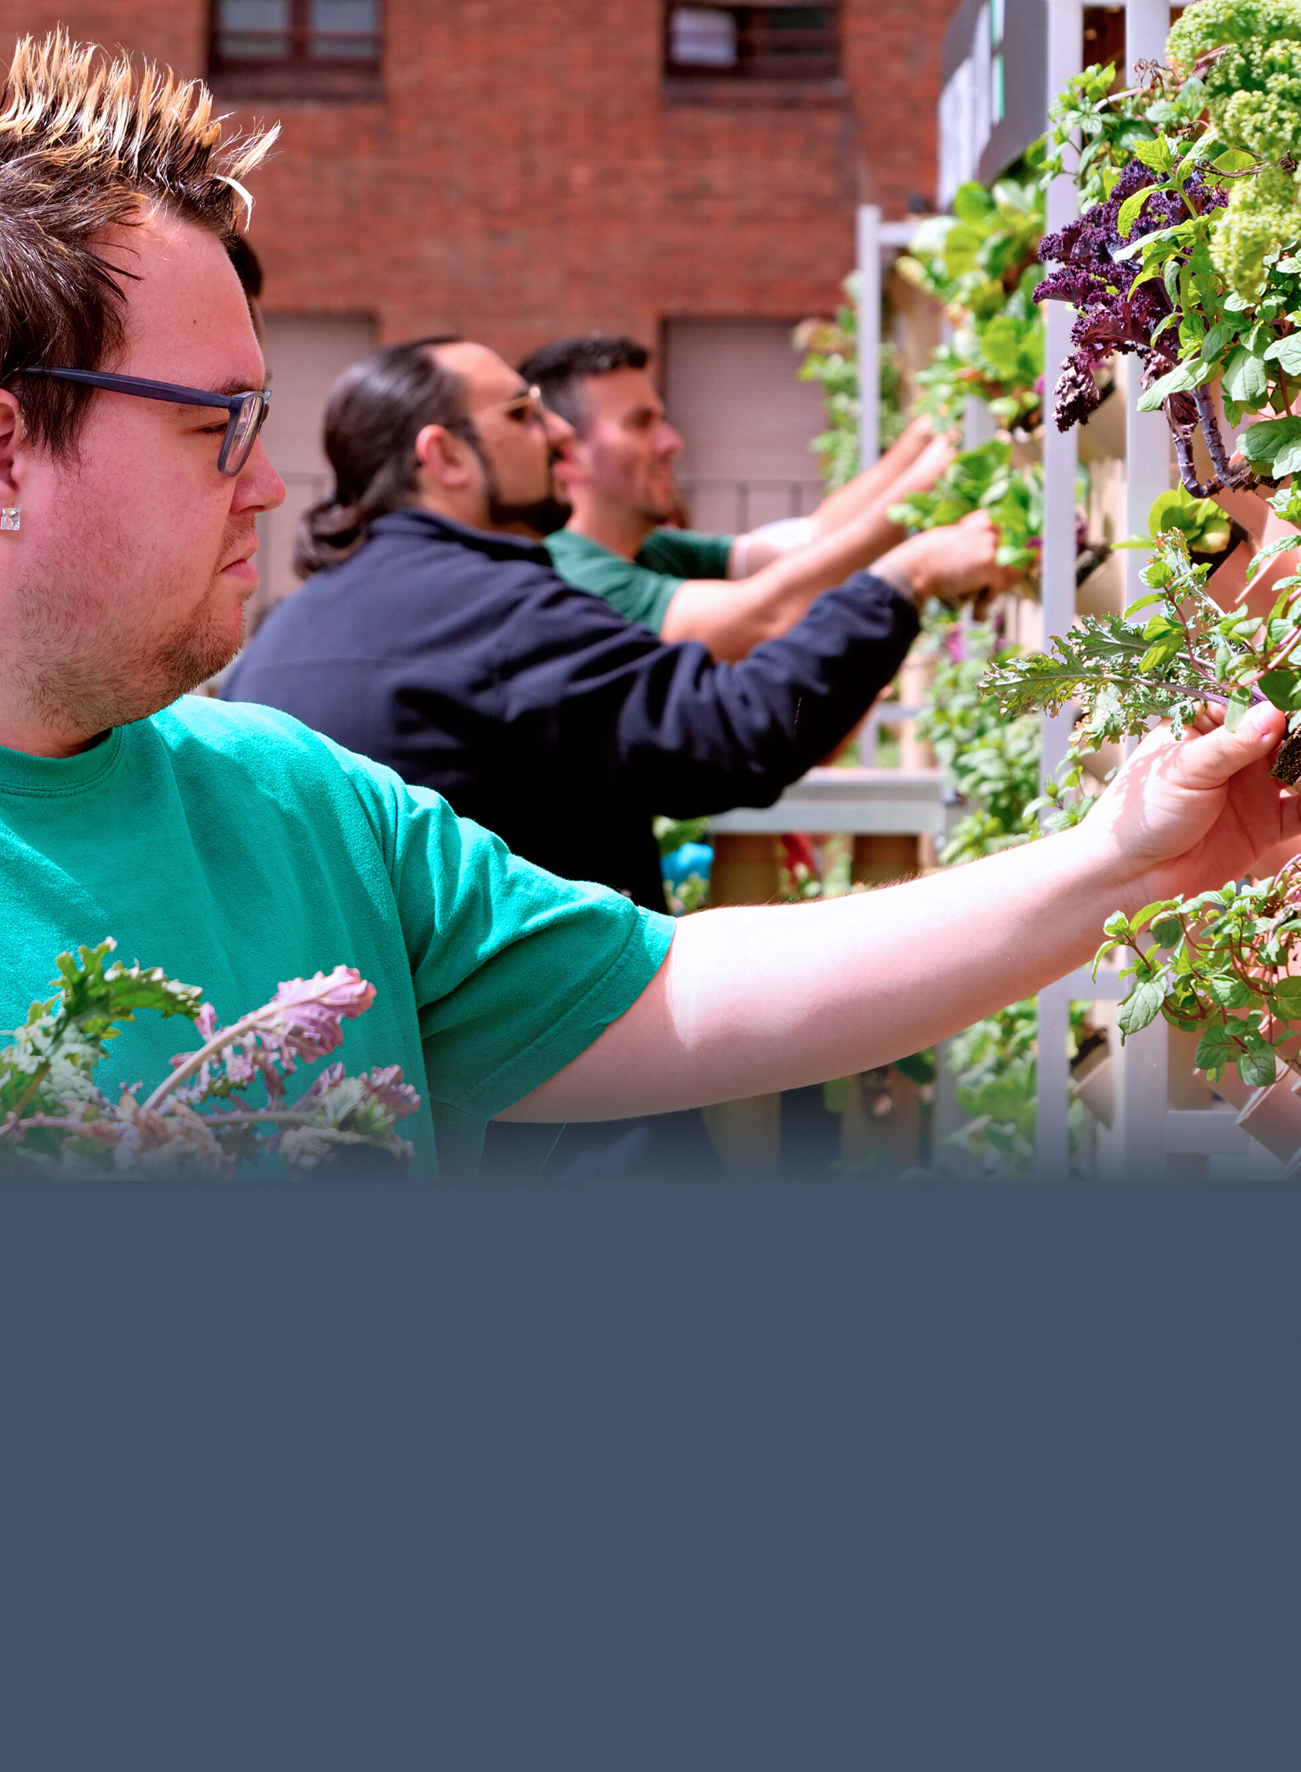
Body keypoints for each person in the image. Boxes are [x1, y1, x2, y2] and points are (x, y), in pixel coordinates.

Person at [1, 34, 1296, 1188]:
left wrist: (1123, 860)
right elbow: (729, 717)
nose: (266, 484)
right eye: (216, 426)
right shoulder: (478, 616)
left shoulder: (299, 801)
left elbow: (675, 989)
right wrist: (904, 575)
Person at [225, 336, 1007, 909]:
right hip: (533, 1073)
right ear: (446, 458)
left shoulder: (284, 634)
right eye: (523, 415)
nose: (559, 435)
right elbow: (735, 730)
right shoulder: (497, 611)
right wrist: (904, 582)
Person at [519, 333, 953, 662]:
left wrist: (923, 440)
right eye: (640, 423)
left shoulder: (649, 550)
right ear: (566, 451)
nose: (672, 442)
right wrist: (930, 485)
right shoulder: (577, 576)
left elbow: (811, 540)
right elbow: (761, 614)